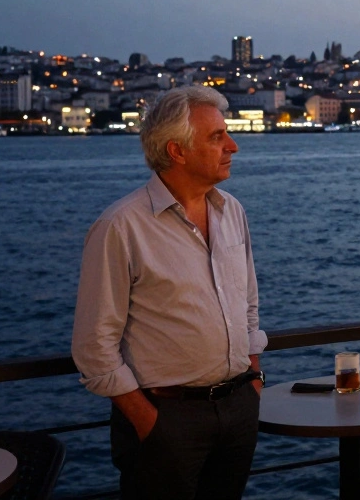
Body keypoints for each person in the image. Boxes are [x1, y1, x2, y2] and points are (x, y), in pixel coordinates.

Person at [72, 86, 267, 500]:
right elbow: (94, 346)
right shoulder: (121, 227)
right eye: (217, 137)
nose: (232, 145)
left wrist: (252, 378)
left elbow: (248, 304)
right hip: (167, 417)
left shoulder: (231, 211)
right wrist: (148, 420)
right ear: (177, 151)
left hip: (237, 408)